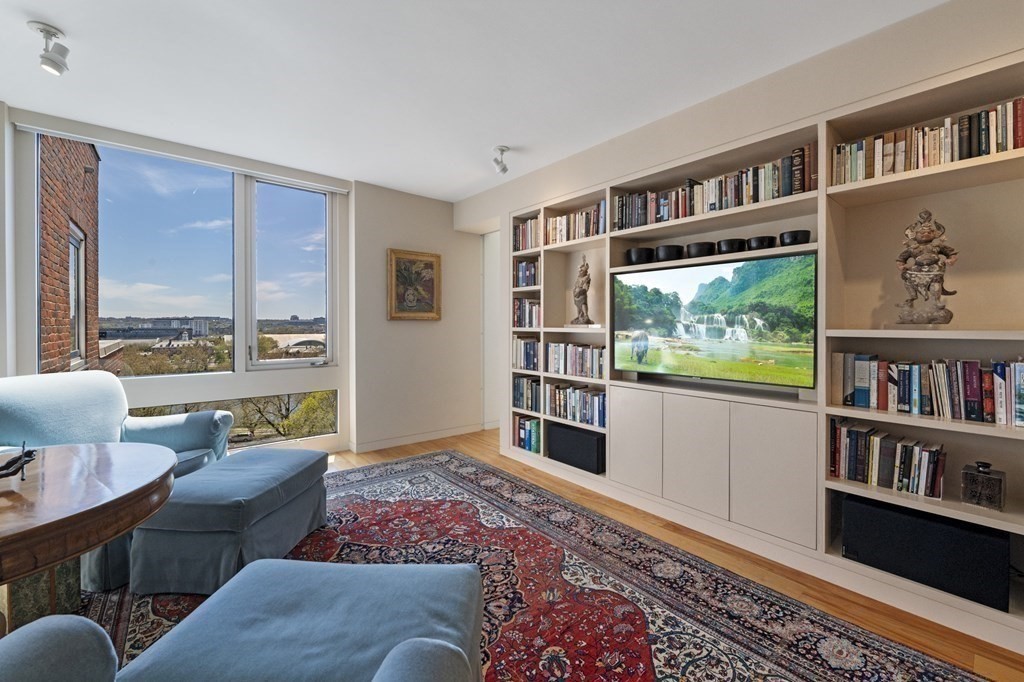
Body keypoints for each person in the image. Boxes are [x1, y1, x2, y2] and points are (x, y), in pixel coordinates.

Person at [571, 256, 593, 325]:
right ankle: (579, 316)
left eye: (581, 269)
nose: (580, 270)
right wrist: (574, 290)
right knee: (578, 306)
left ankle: (586, 315)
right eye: (579, 269)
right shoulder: (578, 278)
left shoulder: (587, 278)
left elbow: (586, 288)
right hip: (576, 295)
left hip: (582, 294)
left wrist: (581, 290)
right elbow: (576, 285)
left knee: (583, 304)